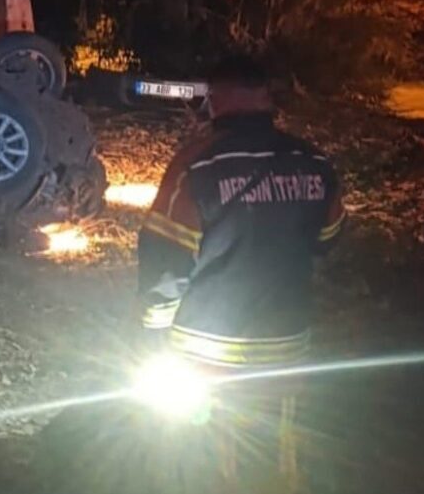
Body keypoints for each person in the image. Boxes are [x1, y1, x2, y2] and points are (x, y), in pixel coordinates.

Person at [137, 54, 344, 489]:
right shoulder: (314, 163)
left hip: (205, 350)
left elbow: (166, 261)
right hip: (286, 343)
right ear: (267, 97)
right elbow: (329, 237)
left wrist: (153, 333)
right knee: (279, 450)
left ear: (213, 101)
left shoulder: (196, 167)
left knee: (207, 458)